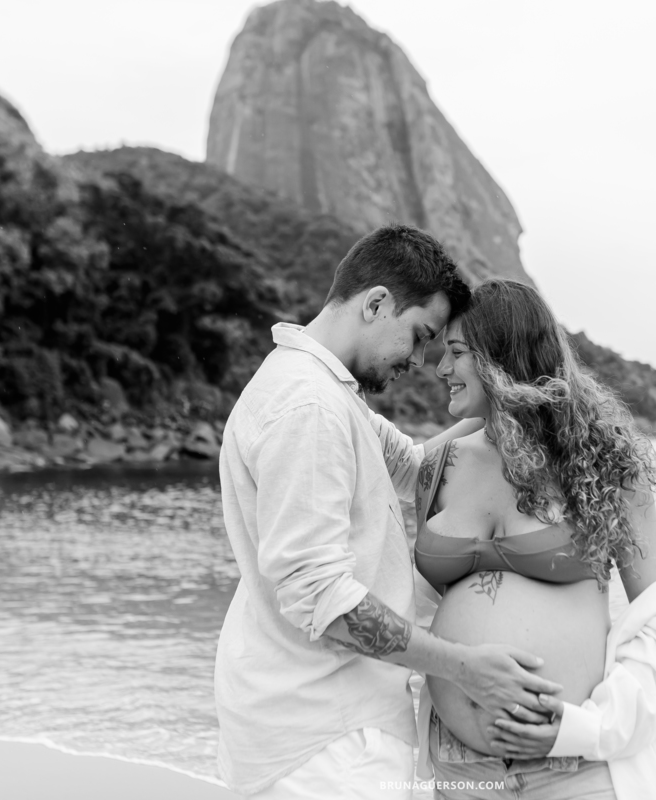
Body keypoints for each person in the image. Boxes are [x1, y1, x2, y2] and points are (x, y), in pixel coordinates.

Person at [214, 228, 564, 799]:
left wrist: (505, 390)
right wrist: (464, 667)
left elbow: (415, 466)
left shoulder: (323, 390)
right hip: (328, 739)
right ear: (376, 303)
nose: (422, 360)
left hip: (311, 717)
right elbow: (321, 597)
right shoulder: (310, 408)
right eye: (421, 336)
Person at [374, 279, 656, 800]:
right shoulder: (438, 467)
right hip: (458, 770)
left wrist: (587, 729)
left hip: (577, 766)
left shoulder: (602, 464)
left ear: (503, 358)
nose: (440, 369)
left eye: (457, 353)